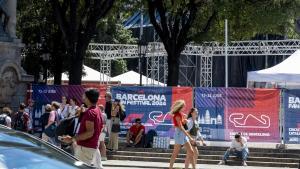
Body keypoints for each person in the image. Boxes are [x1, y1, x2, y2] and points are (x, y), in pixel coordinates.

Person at [61, 88, 103, 169]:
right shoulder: (96, 110)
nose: (82, 96)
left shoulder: (90, 113)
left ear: (87, 97)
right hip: (91, 146)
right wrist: (83, 113)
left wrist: (72, 139)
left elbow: (90, 132)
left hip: (85, 148)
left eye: (84, 95)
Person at [169, 100, 196, 169]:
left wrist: (184, 121)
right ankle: (170, 167)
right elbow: (181, 127)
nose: (185, 107)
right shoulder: (177, 115)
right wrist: (190, 137)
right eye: (184, 106)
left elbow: (181, 125)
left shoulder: (180, 114)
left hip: (182, 133)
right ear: (181, 107)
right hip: (179, 134)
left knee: (191, 152)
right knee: (175, 153)